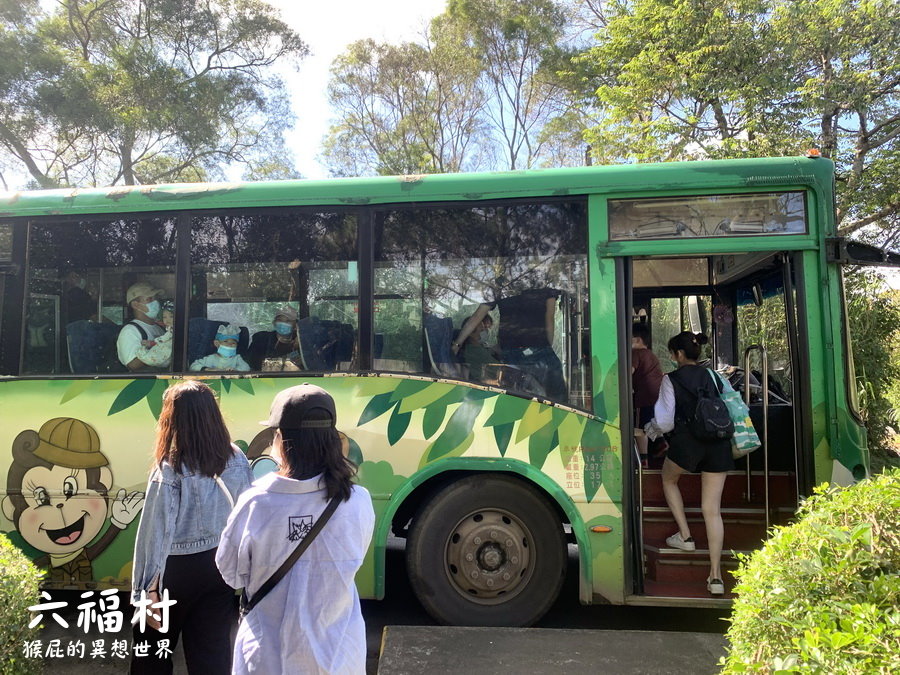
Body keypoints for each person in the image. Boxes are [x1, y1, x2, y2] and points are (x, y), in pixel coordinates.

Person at [216, 384, 375, 674]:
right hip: (338, 658)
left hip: (266, 659)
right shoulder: (358, 501)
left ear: (281, 441)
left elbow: (230, 572)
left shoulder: (256, 501)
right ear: (332, 440)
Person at [130, 381, 253, 674]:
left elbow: (155, 533)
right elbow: (248, 516)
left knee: (152, 654)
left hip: (175, 572)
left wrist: (146, 590)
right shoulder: (236, 458)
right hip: (219, 569)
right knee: (211, 654)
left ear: (173, 419)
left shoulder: (170, 466)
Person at [644, 331, 734, 596]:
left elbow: (665, 422)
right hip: (719, 445)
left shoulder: (671, 379)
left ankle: (685, 536)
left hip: (688, 447)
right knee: (712, 510)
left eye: (672, 353)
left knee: (668, 478)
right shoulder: (715, 376)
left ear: (679, 355)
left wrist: (648, 430)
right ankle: (716, 577)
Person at [452, 286, 565, 400]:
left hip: (510, 353)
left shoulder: (501, 284)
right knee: (557, 398)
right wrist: (547, 347)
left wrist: (457, 344)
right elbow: (550, 318)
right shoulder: (546, 283)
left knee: (514, 397)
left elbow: (476, 317)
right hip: (538, 349)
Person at [632, 323, 663, 467]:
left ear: (637, 340)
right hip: (657, 396)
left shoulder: (635, 354)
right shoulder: (651, 354)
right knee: (649, 422)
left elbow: (628, 372)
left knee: (639, 429)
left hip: (643, 397)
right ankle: (660, 441)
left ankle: (643, 459)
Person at [118, 282, 169, 371]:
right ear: (135, 305)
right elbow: (132, 364)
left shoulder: (160, 328)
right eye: (149, 299)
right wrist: (160, 349)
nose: (156, 302)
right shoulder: (130, 331)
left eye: (156, 298)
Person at [458, 312, 499, 383]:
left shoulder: (479, 347)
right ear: (470, 332)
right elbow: (497, 369)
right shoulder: (473, 351)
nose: (485, 332)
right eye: (482, 330)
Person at [133, 301, 175, 369]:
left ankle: (144, 355)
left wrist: (152, 343)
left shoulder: (172, 330)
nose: (167, 320)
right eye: (164, 317)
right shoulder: (169, 327)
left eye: (171, 316)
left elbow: (164, 338)